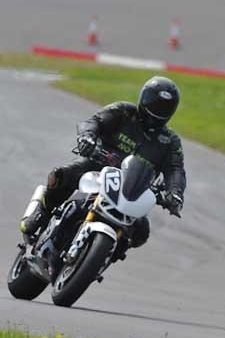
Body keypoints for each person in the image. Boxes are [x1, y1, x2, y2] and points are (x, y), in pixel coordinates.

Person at [20, 76, 187, 258]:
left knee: (141, 233)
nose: (157, 110)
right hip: (97, 167)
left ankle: (105, 256)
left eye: (163, 107)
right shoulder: (123, 111)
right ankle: (41, 213)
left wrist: (175, 192)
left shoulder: (170, 141)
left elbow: (175, 169)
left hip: (132, 191)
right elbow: (93, 122)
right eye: (155, 104)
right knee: (60, 176)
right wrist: (87, 137)